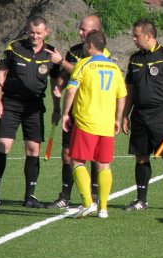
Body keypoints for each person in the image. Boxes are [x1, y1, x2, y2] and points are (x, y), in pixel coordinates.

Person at [0, 16, 61, 210]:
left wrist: (56, 108)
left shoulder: (52, 53)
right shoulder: (14, 47)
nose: (34, 36)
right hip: (10, 103)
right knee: (3, 146)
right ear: (28, 31)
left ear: (46, 33)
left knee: (33, 150)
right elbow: (1, 72)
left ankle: (30, 196)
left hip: (34, 107)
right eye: (31, 32)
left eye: (38, 33)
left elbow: (54, 83)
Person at [46, 16, 111, 209]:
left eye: (84, 30)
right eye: (80, 29)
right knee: (67, 153)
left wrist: (61, 62)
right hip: (73, 112)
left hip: (93, 113)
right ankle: (65, 195)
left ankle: (95, 195)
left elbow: (86, 70)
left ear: (96, 32)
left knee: (94, 156)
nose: (80, 32)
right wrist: (59, 86)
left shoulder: (102, 53)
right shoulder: (74, 51)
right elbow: (65, 76)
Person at [122, 18, 163, 212]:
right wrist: (125, 115)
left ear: (149, 36)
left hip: (162, 114)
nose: (133, 38)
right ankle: (141, 199)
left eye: (137, 35)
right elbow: (130, 90)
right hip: (140, 115)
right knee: (141, 157)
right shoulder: (134, 59)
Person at [61, 30, 126, 219]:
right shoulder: (115, 68)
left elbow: (71, 91)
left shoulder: (83, 64)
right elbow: (122, 96)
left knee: (77, 160)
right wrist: (117, 118)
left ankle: (88, 202)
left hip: (86, 121)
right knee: (104, 164)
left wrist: (65, 113)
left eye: (84, 45)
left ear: (90, 46)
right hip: (106, 123)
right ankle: (103, 208)